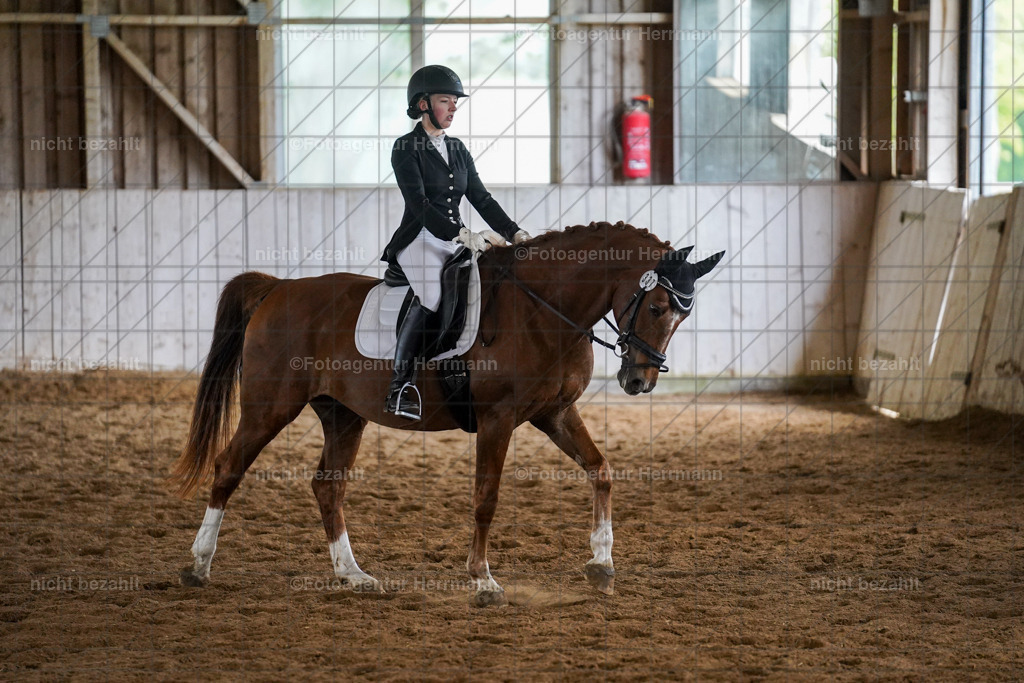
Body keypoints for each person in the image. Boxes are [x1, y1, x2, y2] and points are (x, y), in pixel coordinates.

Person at [382, 65, 530, 420]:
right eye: (445, 101)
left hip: (454, 239)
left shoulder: (458, 149)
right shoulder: (406, 147)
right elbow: (418, 204)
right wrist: (461, 234)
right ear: (422, 104)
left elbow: (481, 198)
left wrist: (515, 233)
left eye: (454, 102)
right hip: (419, 239)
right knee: (432, 295)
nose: (452, 108)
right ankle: (400, 386)